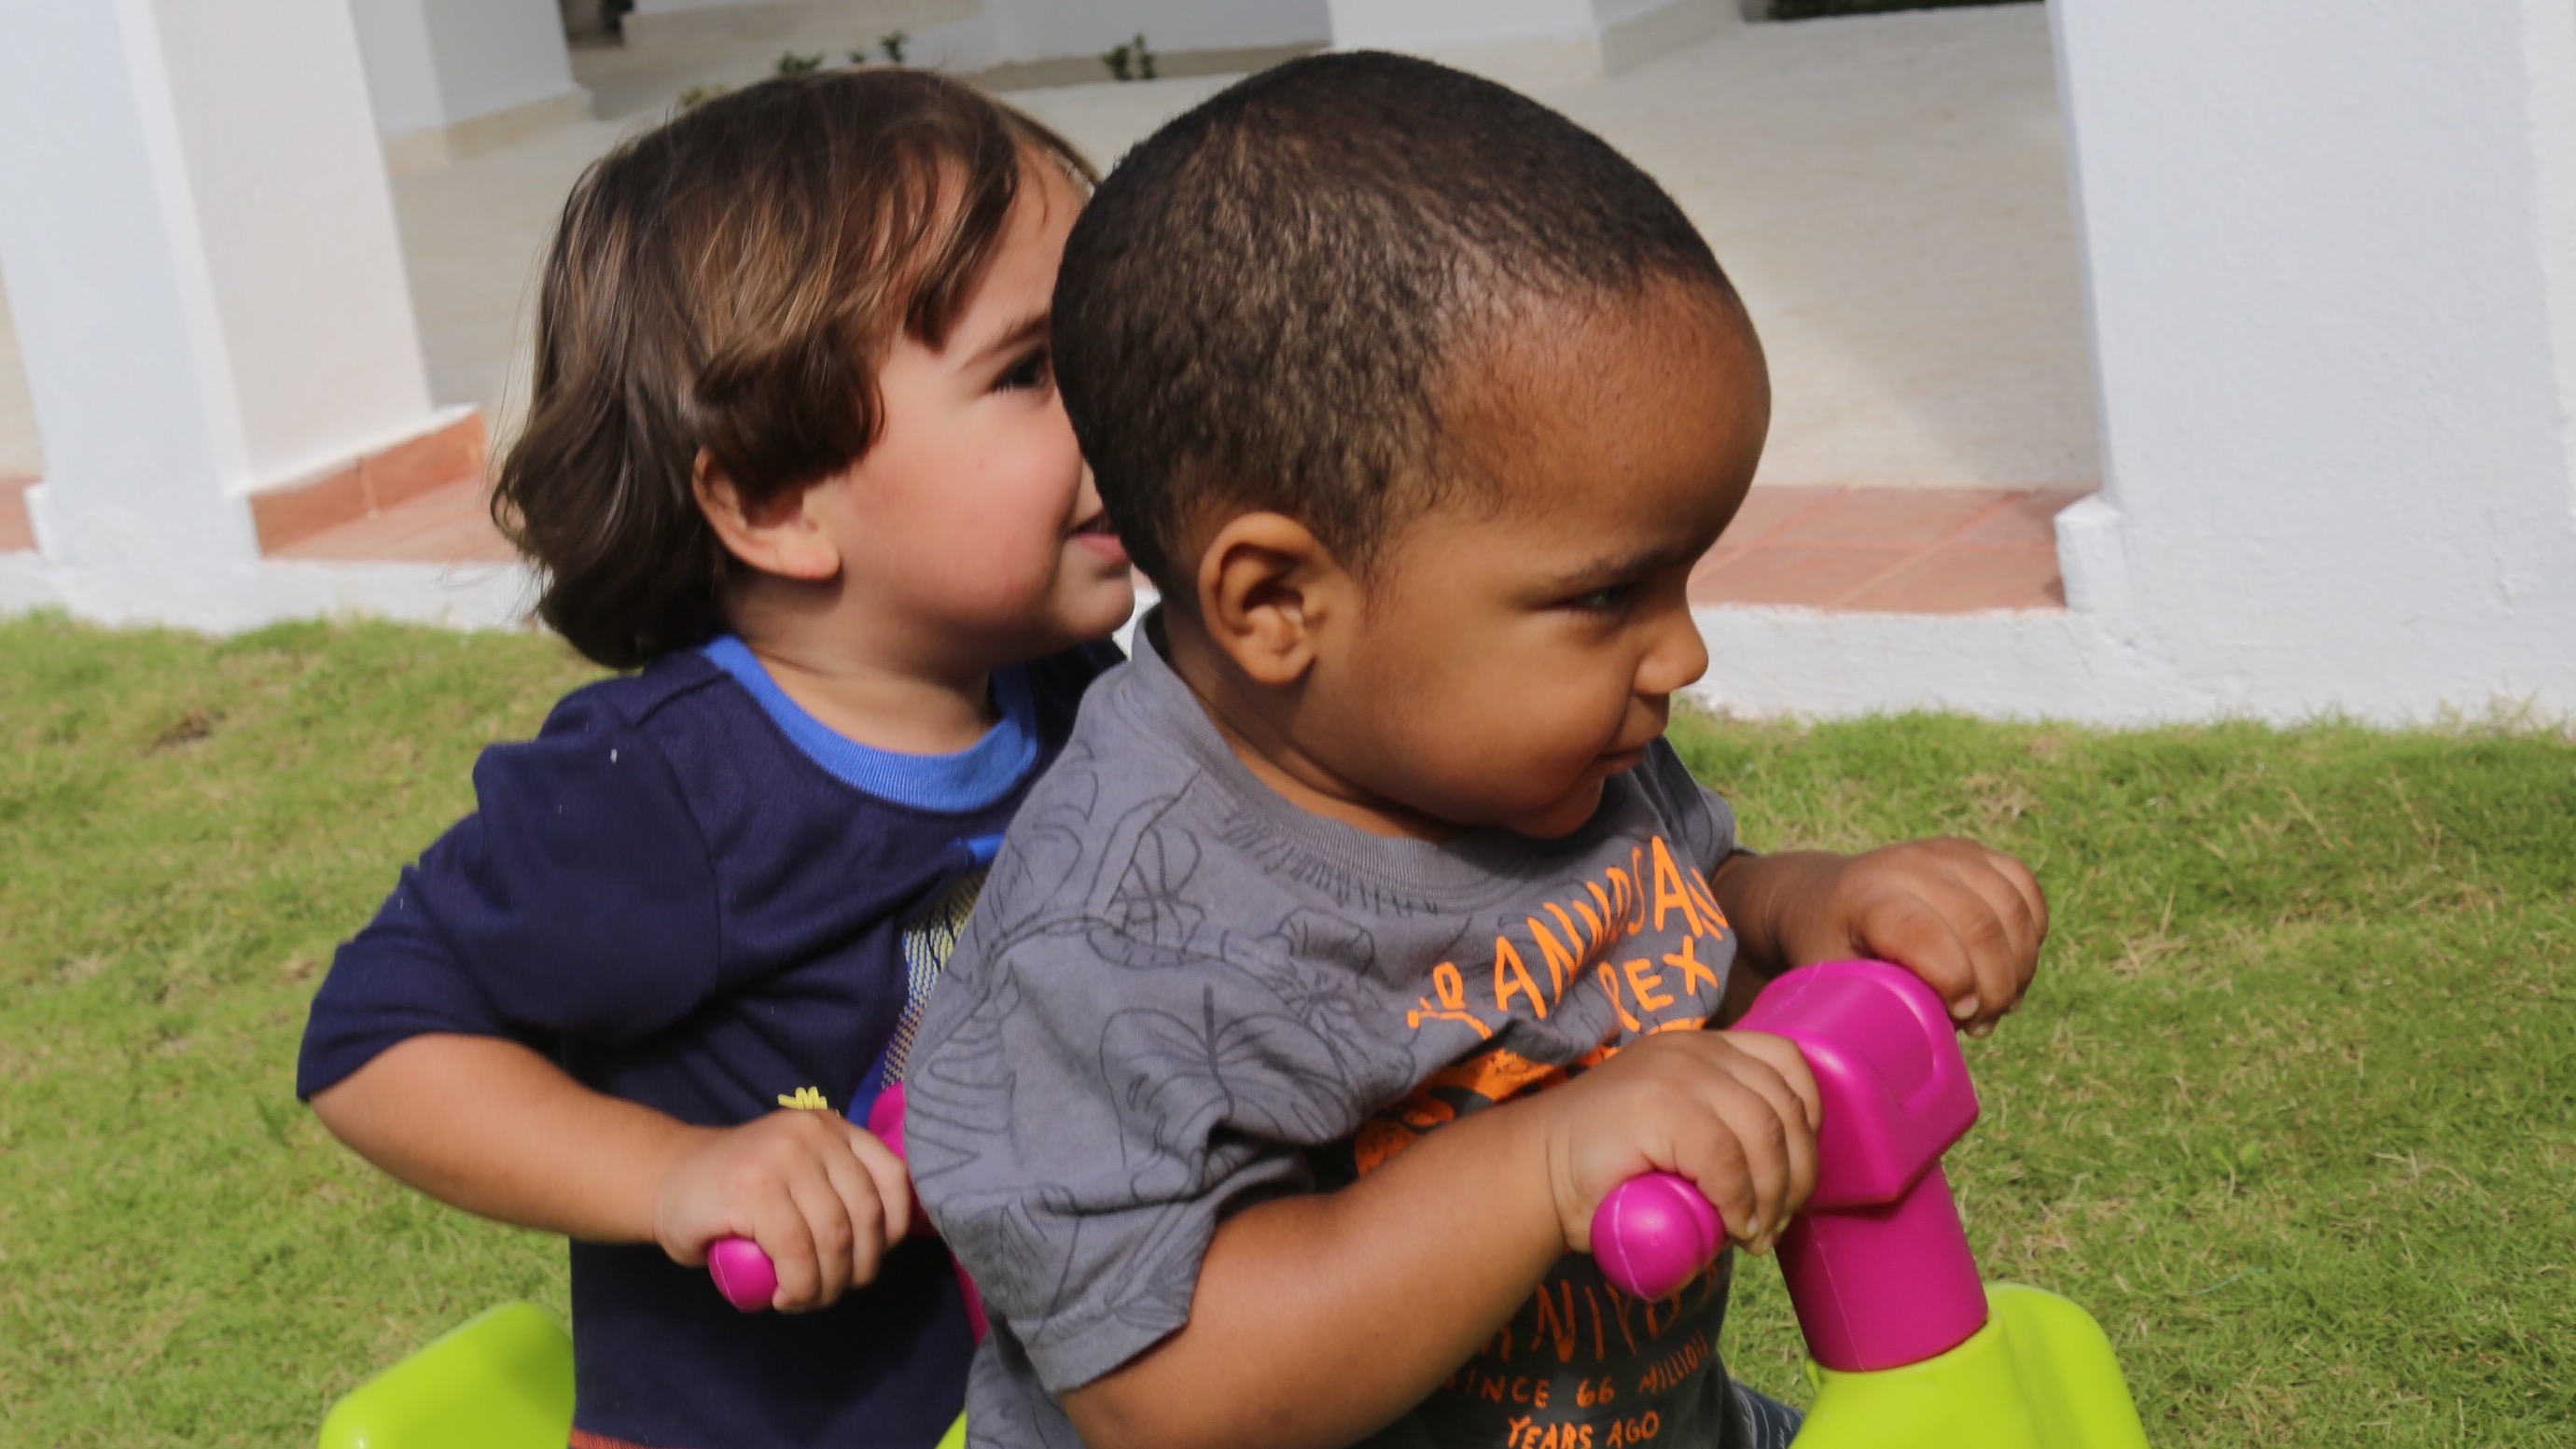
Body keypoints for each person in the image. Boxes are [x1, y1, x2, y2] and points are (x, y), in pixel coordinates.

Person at [903, 52, 2048, 1449]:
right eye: (1608, 594)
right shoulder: (1116, 944)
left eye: (1682, 578)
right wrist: (1550, 1164)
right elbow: (1167, 1391)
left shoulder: (1529, 754)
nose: (1683, 654)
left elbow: (1661, 932)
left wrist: (1802, 909)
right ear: (1277, 602)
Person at [294, 71, 1134, 1449]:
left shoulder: (1076, 690)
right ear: (773, 500)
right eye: (1029, 372)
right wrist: (679, 1173)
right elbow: (372, 1036)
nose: (1116, 398)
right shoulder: (665, 793)